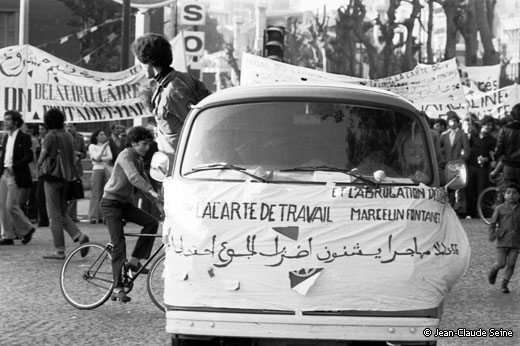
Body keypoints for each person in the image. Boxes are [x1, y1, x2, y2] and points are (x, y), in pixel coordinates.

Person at [100, 126, 163, 302]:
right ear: (134, 143)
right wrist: (153, 192)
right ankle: (118, 288)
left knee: (151, 223)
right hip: (110, 204)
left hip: (124, 204)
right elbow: (134, 178)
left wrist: (159, 204)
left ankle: (134, 262)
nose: (147, 147)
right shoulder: (126, 156)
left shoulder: (139, 159)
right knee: (119, 244)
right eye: (144, 144)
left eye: (149, 144)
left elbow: (143, 183)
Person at [132, 33, 211, 154]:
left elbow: (199, 125)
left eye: (140, 63)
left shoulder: (173, 90)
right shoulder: (178, 79)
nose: (140, 67)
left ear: (148, 62)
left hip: (183, 159)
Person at [37, 108, 89, 259]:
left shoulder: (50, 136)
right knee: (62, 212)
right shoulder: (68, 135)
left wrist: (40, 164)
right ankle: (79, 236)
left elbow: (42, 157)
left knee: (54, 215)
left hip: (52, 177)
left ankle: (59, 250)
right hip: (67, 177)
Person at [0, 111, 36, 246]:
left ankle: (27, 229)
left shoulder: (24, 137)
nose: (5, 122)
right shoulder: (5, 137)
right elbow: (3, 156)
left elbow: (29, 157)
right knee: (2, 206)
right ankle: (7, 235)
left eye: (8, 119)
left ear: (15, 122)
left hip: (15, 174)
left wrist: (14, 167)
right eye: (5, 119)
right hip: (4, 173)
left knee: (11, 205)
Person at [488, 183, 520, 293]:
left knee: (511, 264)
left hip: (516, 241)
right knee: (501, 263)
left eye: (515, 193)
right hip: (503, 240)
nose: (511, 195)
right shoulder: (500, 208)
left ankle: (504, 285)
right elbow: (492, 223)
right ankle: (494, 270)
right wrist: (492, 234)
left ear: (519, 195)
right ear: (504, 195)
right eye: (508, 193)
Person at [465, 116, 497, 218]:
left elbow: (493, 156)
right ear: (482, 124)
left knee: (481, 190)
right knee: (469, 189)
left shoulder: (492, 140)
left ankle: (479, 213)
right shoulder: (473, 136)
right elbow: (467, 148)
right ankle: (470, 212)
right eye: (487, 124)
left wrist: (486, 159)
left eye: (491, 125)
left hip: (482, 168)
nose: (489, 127)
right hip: (471, 166)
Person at [439, 111, 470, 214]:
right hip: (447, 164)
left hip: (458, 164)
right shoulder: (444, 135)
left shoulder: (462, 134)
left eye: (455, 121)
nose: (453, 123)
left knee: (459, 187)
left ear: (458, 122)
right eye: (451, 121)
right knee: (447, 186)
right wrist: (442, 161)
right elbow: (439, 149)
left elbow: (466, 150)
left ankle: (460, 209)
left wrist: (460, 161)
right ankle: (448, 207)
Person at [492, 103, 520, 188]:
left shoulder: (504, 129)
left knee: (509, 193)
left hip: (509, 167)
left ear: (512, 115)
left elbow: (499, 151)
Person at [88, 130, 112, 224]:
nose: (103, 136)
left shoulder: (107, 146)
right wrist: (102, 150)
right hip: (97, 170)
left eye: (103, 134)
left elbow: (110, 157)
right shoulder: (92, 146)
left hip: (105, 169)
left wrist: (100, 159)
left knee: (105, 193)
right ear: (96, 137)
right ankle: (94, 216)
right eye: (101, 134)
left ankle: (103, 215)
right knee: (95, 193)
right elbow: (96, 157)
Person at [65, 123, 87, 222]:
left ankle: (72, 216)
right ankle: (66, 215)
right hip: (65, 168)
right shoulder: (63, 137)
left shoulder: (79, 138)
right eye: (67, 126)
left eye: (70, 126)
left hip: (76, 168)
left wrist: (80, 155)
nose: (69, 128)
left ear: (75, 127)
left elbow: (84, 153)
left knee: (75, 192)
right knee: (65, 193)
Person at [36, 123, 49, 227]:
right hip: (41, 171)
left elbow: (42, 156)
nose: (40, 131)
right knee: (40, 196)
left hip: (46, 171)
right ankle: (42, 218)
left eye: (42, 129)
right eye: (39, 129)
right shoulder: (40, 141)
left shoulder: (47, 141)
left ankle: (44, 219)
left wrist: (39, 163)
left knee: (41, 195)